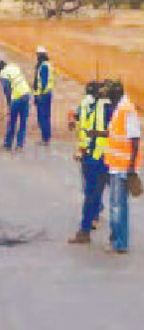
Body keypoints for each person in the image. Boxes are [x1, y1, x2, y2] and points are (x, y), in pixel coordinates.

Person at [68, 81, 112, 244]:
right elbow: (79, 120)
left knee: (92, 192)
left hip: (99, 156)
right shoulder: (101, 105)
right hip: (94, 154)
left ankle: (88, 226)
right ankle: (92, 222)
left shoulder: (103, 107)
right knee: (94, 192)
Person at [102, 80, 142, 253]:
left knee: (119, 207)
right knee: (115, 206)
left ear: (116, 93)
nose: (107, 97)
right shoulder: (119, 108)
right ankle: (116, 239)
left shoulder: (127, 110)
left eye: (109, 93)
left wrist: (132, 168)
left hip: (123, 168)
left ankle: (121, 243)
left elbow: (135, 140)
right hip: (115, 165)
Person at [0, 60, 31, 150]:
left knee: (12, 121)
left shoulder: (3, 73)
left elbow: (7, 90)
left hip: (17, 97)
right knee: (23, 122)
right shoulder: (14, 66)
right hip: (26, 94)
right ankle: (19, 145)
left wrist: (9, 104)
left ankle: (8, 144)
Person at [33, 46, 54, 145]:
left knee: (43, 117)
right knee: (44, 117)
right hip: (44, 94)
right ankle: (45, 137)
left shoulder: (44, 66)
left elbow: (44, 82)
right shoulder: (45, 65)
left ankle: (45, 138)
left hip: (43, 95)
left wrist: (40, 95)